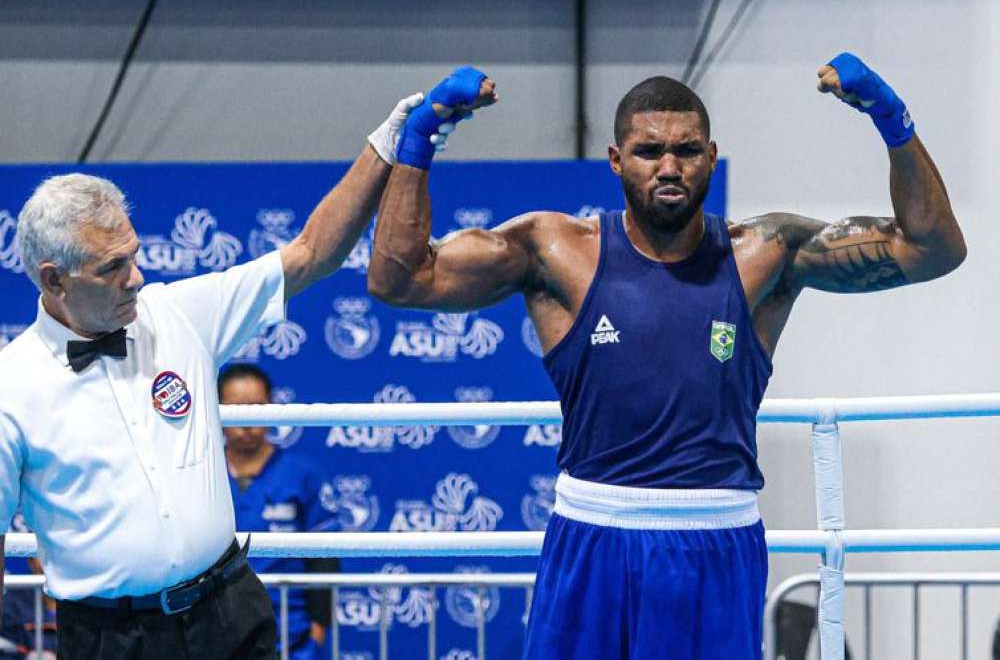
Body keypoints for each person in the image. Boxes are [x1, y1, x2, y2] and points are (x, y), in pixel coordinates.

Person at [367, 55, 966, 659]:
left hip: (715, 538)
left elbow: (933, 249)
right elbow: (399, 279)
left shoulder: (765, 252)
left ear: (710, 155)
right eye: (650, 151)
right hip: (591, 532)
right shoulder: (554, 250)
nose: (669, 167)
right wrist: (421, 139)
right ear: (616, 160)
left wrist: (891, 118)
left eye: (686, 149)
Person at [0, 79, 457, 658]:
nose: (136, 277)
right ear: (53, 278)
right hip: (110, 641)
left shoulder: (176, 315)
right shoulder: (10, 388)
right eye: (113, 267)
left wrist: (387, 143)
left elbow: (312, 253)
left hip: (231, 612)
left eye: (135, 256)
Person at [219, 363, 340, 660]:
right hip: (215, 627)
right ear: (216, 409)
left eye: (257, 407)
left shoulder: (303, 475)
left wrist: (319, 625)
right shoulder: (200, 473)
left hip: (292, 630)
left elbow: (325, 553)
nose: (247, 421)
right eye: (236, 408)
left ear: (272, 408)